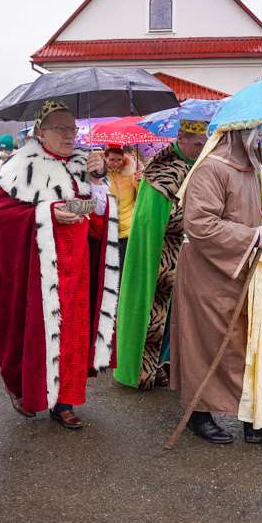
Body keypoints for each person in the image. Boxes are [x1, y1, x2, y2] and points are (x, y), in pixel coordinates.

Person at [170, 121, 262, 445]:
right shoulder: (211, 169)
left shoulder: (254, 170)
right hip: (209, 276)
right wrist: (250, 237)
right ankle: (199, 414)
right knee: (206, 346)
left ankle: (257, 420)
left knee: (251, 346)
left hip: (245, 272)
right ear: (238, 132)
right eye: (256, 132)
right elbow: (199, 223)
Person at [0, 99, 119, 429]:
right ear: (39, 132)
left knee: (73, 334)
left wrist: (97, 179)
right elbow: (3, 217)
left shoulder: (83, 162)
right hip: (39, 270)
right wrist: (47, 214)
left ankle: (64, 401)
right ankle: (30, 391)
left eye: (72, 128)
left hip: (77, 267)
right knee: (40, 333)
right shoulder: (20, 166)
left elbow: (99, 218)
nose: (69, 134)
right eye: (61, 128)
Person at [112, 121, 208, 391]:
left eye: (205, 143)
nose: (201, 149)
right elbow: (151, 219)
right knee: (157, 309)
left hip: (189, 253)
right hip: (160, 252)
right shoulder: (162, 169)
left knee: (180, 313)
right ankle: (144, 367)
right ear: (181, 137)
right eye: (196, 143)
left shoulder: (198, 165)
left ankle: (166, 362)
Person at [103, 144, 142, 270]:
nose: (116, 163)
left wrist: (139, 182)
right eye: (112, 160)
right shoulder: (99, 176)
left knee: (126, 267)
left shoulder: (130, 174)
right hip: (107, 231)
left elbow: (139, 199)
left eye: (119, 160)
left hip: (127, 230)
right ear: (105, 158)